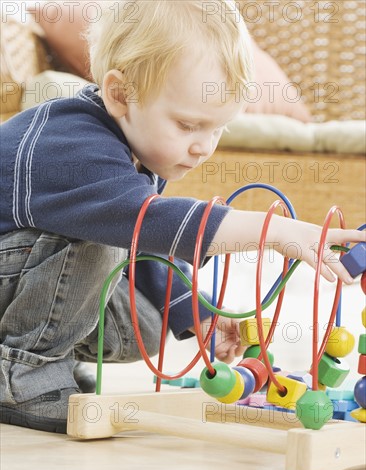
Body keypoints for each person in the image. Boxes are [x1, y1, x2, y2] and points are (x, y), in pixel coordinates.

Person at [0, 0, 363, 433]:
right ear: (119, 94)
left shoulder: (135, 151)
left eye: (217, 129)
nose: (203, 147)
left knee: (147, 326)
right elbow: (146, 223)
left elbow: (143, 246)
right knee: (104, 236)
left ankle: (46, 359)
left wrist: (197, 313)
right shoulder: (71, 144)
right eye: (188, 125)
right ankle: (23, 374)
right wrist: (274, 231)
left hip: (21, 273)